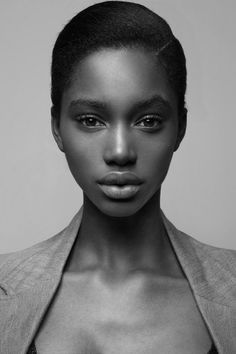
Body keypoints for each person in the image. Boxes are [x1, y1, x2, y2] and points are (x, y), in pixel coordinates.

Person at [0, 1, 235, 353]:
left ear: (180, 128)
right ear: (57, 127)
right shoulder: (4, 291)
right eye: (91, 120)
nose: (120, 152)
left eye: (148, 120)